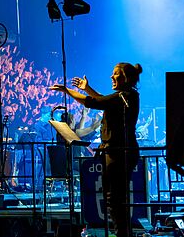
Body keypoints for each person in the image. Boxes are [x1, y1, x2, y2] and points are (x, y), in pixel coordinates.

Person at [50, 62, 142, 237]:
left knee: (114, 199)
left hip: (118, 153)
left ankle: (122, 233)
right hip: (119, 151)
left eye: (116, 74)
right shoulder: (126, 97)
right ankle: (123, 232)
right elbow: (102, 99)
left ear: (126, 78)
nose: (111, 77)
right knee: (115, 198)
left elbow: (93, 102)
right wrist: (87, 88)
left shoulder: (123, 97)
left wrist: (68, 91)